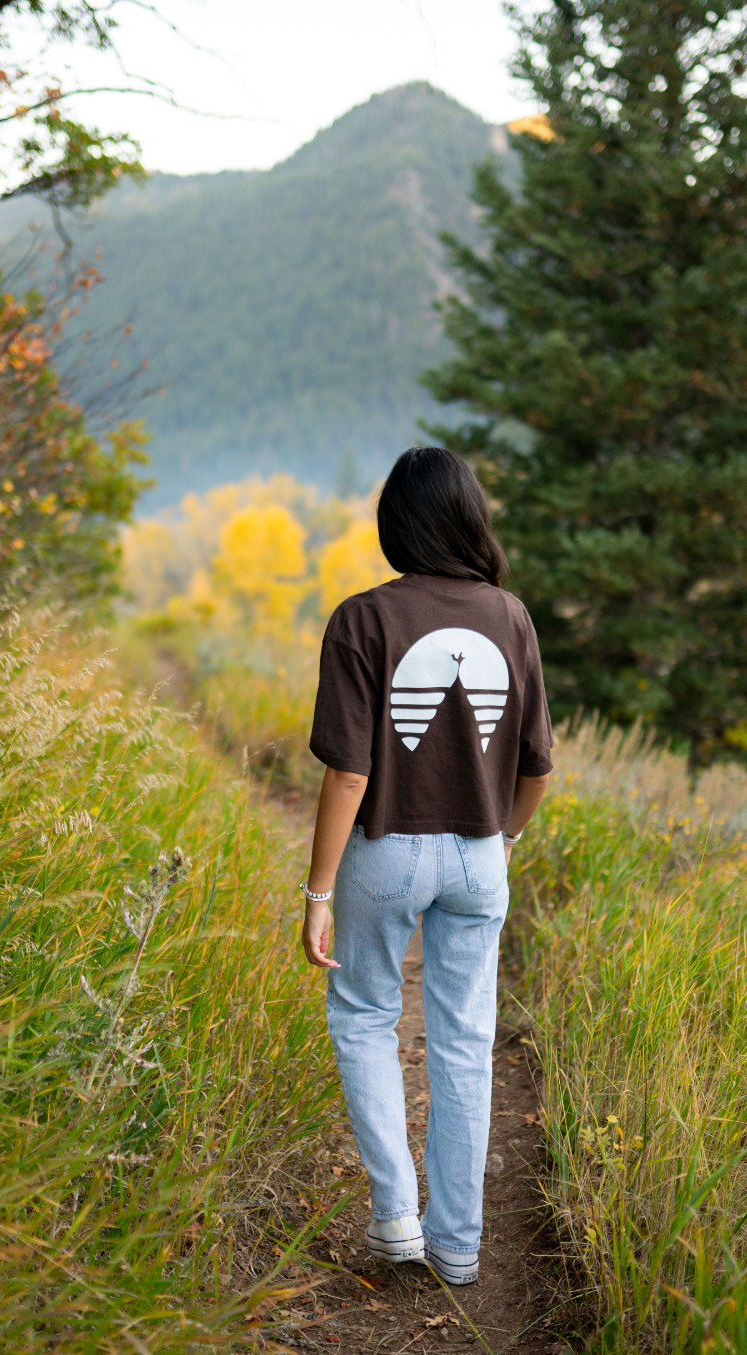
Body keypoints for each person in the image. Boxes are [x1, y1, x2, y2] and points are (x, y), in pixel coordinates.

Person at [300, 446, 553, 1286]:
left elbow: (348, 772)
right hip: (480, 853)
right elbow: (537, 770)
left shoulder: (362, 618)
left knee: (367, 1014)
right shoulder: (511, 616)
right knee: (464, 1040)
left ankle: (395, 1215)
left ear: (394, 522)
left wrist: (318, 891)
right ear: (470, 516)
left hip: (388, 849)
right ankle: (458, 1242)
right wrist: (500, 841)